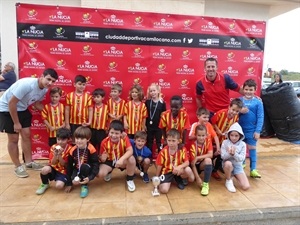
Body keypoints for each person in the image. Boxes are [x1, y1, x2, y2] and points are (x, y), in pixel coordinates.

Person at [0, 68, 58, 178]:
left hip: (22, 109)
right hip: (7, 109)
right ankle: (17, 166)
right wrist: (16, 123)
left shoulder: (45, 89)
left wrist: (52, 114)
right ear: (42, 76)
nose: (50, 83)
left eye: (53, 81)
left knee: (26, 135)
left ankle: (29, 163)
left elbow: (36, 104)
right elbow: (11, 103)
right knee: (13, 139)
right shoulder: (26, 85)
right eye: (48, 79)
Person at [98, 120, 137, 192]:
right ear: (108, 132)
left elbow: (130, 150)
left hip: (121, 160)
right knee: (100, 174)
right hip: (110, 161)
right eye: (112, 133)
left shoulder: (124, 138)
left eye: (117, 133)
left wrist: (121, 159)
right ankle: (109, 172)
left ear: (121, 134)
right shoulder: (104, 142)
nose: (114, 135)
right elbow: (101, 156)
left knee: (131, 159)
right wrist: (102, 158)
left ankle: (130, 179)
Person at [155, 129, 194, 193]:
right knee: (164, 190)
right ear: (166, 140)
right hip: (167, 171)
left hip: (179, 170)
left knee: (190, 175)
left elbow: (187, 162)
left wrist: (179, 167)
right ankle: (171, 179)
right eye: (169, 140)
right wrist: (156, 177)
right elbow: (159, 165)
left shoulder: (182, 149)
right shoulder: (163, 151)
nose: (171, 143)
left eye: (173, 141)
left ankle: (180, 178)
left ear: (178, 141)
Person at [35, 128, 73, 195]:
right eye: (58, 139)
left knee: (59, 186)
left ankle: (62, 180)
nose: (60, 142)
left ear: (68, 139)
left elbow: (64, 164)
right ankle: (44, 184)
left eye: (63, 140)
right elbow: (52, 163)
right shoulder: (53, 147)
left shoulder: (70, 149)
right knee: (44, 170)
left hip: (63, 171)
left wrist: (60, 155)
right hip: (54, 168)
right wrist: (56, 155)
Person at [239, 79, 264, 178]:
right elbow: (234, 112)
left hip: (252, 130)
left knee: (252, 148)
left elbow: (261, 117)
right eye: (246, 89)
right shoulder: (239, 100)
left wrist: (257, 131)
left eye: (251, 90)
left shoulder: (258, 102)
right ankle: (242, 163)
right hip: (240, 129)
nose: (248, 92)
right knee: (241, 147)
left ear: (255, 90)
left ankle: (253, 169)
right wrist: (241, 111)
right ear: (243, 89)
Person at [211, 98, 243, 174]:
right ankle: (210, 167)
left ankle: (216, 169)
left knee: (221, 155)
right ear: (229, 107)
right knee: (212, 154)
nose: (234, 112)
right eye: (233, 109)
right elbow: (212, 122)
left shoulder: (236, 117)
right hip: (214, 139)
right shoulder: (220, 113)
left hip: (224, 139)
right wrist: (218, 130)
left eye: (237, 111)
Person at [67, 126, 100, 198]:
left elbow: (96, 164)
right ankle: (79, 178)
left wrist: (90, 177)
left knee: (84, 167)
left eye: (82, 138)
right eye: (77, 138)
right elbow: (69, 166)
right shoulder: (72, 150)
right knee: (74, 182)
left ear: (88, 139)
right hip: (77, 168)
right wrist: (69, 183)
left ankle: (84, 185)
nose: (79, 141)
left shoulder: (91, 149)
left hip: (88, 168)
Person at [188, 107, 221, 180]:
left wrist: (218, 148)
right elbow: (190, 137)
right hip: (196, 151)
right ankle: (193, 173)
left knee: (212, 157)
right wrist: (199, 136)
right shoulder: (195, 125)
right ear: (198, 116)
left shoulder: (209, 125)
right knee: (191, 177)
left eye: (207, 117)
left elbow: (215, 136)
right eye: (204, 117)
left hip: (206, 150)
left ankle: (213, 171)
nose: (206, 119)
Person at [221, 122, 250, 193]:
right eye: (232, 135)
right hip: (227, 165)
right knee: (228, 164)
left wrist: (234, 154)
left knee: (246, 186)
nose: (233, 138)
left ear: (240, 136)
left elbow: (241, 158)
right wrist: (229, 153)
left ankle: (234, 175)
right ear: (229, 135)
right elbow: (223, 157)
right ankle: (228, 180)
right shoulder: (225, 142)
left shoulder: (243, 144)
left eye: (236, 136)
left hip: (237, 166)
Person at [189, 125, 213, 196]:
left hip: (201, 164)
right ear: (195, 135)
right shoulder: (193, 145)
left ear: (206, 135)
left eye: (203, 135)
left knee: (208, 160)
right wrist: (198, 178)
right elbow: (193, 164)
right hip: (193, 166)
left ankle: (206, 184)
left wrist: (198, 158)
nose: (201, 137)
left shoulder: (208, 141)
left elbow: (210, 155)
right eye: (199, 135)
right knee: (192, 179)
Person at [145, 83, 166, 156]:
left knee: (159, 142)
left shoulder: (162, 103)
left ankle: (161, 158)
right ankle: (149, 157)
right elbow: (145, 114)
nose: (152, 92)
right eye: (151, 91)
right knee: (149, 141)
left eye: (154, 90)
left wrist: (163, 125)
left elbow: (164, 115)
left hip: (158, 126)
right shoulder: (147, 102)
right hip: (149, 126)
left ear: (158, 91)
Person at [90, 88, 108, 152]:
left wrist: (107, 128)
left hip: (102, 130)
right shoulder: (91, 107)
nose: (96, 99)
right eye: (94, 97)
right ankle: (93, 158)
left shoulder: (106, 107)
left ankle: (101, 159)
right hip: (92, 129)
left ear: (103, 98)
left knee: (102, 145)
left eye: (98, 97)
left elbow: (108, 119)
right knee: (92, 145)